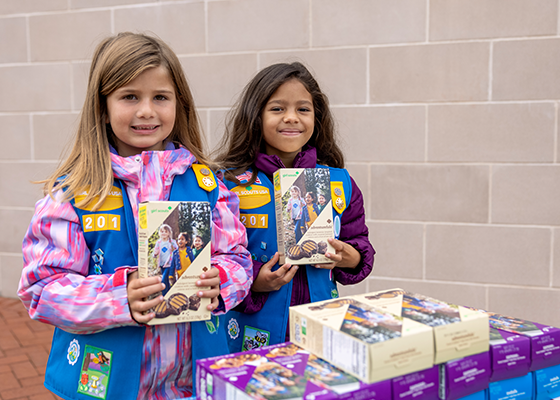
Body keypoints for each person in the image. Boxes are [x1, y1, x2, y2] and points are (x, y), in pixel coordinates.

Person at [18, 32, 252, 400]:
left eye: (160, 97)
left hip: (194, 383)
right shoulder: (74, 192)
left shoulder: (208, 185)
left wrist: (220, 281)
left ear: (180, 105)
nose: (146, 111)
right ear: (103, 106)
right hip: (106, 383)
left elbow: (239, 258)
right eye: (130, 97)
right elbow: (41, 289)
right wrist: (118, 297)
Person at [215, 61, 374, 352]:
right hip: (252, 333)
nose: (291, 118)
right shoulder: (226, 184)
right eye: (277, 109)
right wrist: (256, 282)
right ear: (255, 117)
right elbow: (214, 261)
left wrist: (350, 257)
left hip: (321, 333)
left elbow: (359, 243)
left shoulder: (339, 182)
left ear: (317, 117)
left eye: (303, 109)